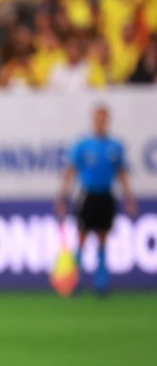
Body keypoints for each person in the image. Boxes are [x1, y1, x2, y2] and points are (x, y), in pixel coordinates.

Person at [55, 104, 138, 294]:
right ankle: (74, 281)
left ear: (107, 121)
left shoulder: (115, 146)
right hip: (88, 195)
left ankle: (101, 282)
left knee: (103, 238)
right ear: (93, 120)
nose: (100, 122)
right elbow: (70, 171)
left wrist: (129, 198)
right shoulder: (83, 145)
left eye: (103, 119)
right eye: (97, 119)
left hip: (106, 195)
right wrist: (62, 196)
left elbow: (122, 174)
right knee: (82, 238)